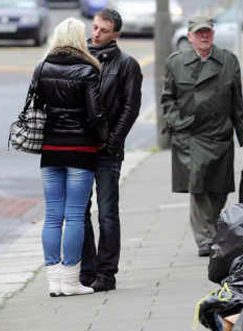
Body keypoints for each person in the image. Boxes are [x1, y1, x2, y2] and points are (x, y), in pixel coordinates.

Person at [160, 16, 243, 257]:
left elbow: (237, 102)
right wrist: (177, 122)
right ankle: (205, 238)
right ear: (189, 37)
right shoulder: (176, 63)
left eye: (208, 32)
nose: (204, 36)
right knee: (199, 185)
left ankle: (211, 229)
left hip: (219, 133)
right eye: (199, 33)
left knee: (219, 189)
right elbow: (167, 99)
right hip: (190, 134)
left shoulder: (228, 61)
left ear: (213, 34)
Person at [31, 17, 108, 297]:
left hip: (50, 149)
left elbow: (35, 108)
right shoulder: (88, 70)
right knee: (75, 214)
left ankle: (53, 281)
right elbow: (95, 114)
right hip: (81, 150)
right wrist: (102, 137)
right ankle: (71, 280)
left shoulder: (41, 68)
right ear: (78, 39)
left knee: (52, 216)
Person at [80, 8, 143, 292]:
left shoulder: (127, 64)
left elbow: (130, 108)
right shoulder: (82, 59)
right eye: (94, 28)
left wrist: (113, 141)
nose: (95, 34)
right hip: (81, 148)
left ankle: (107, 272)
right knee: (80, 211)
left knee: (107, 212)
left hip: (108, 150)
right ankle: (87, 270)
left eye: (103, 30)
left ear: (115, 33)